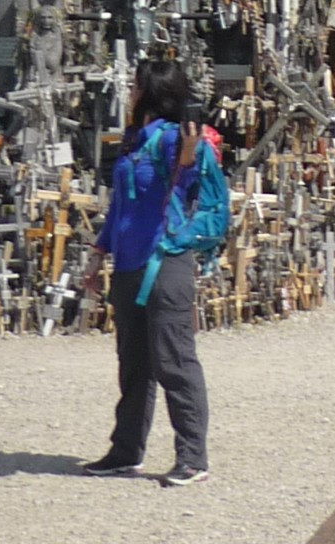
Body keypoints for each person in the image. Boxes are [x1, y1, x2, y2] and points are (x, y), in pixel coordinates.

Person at [80, 63, 226, 486]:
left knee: (174, 362)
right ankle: (125, 452)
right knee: (134, 367)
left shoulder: (173, 139)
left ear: (149, 90)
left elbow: (189, 173)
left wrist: (189, 150)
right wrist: (97, 254)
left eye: (134, 84)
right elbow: (121, 209)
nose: (128, 89)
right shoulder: (133, 142)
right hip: (128, 265)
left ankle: (193, 458)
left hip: (165, 263)